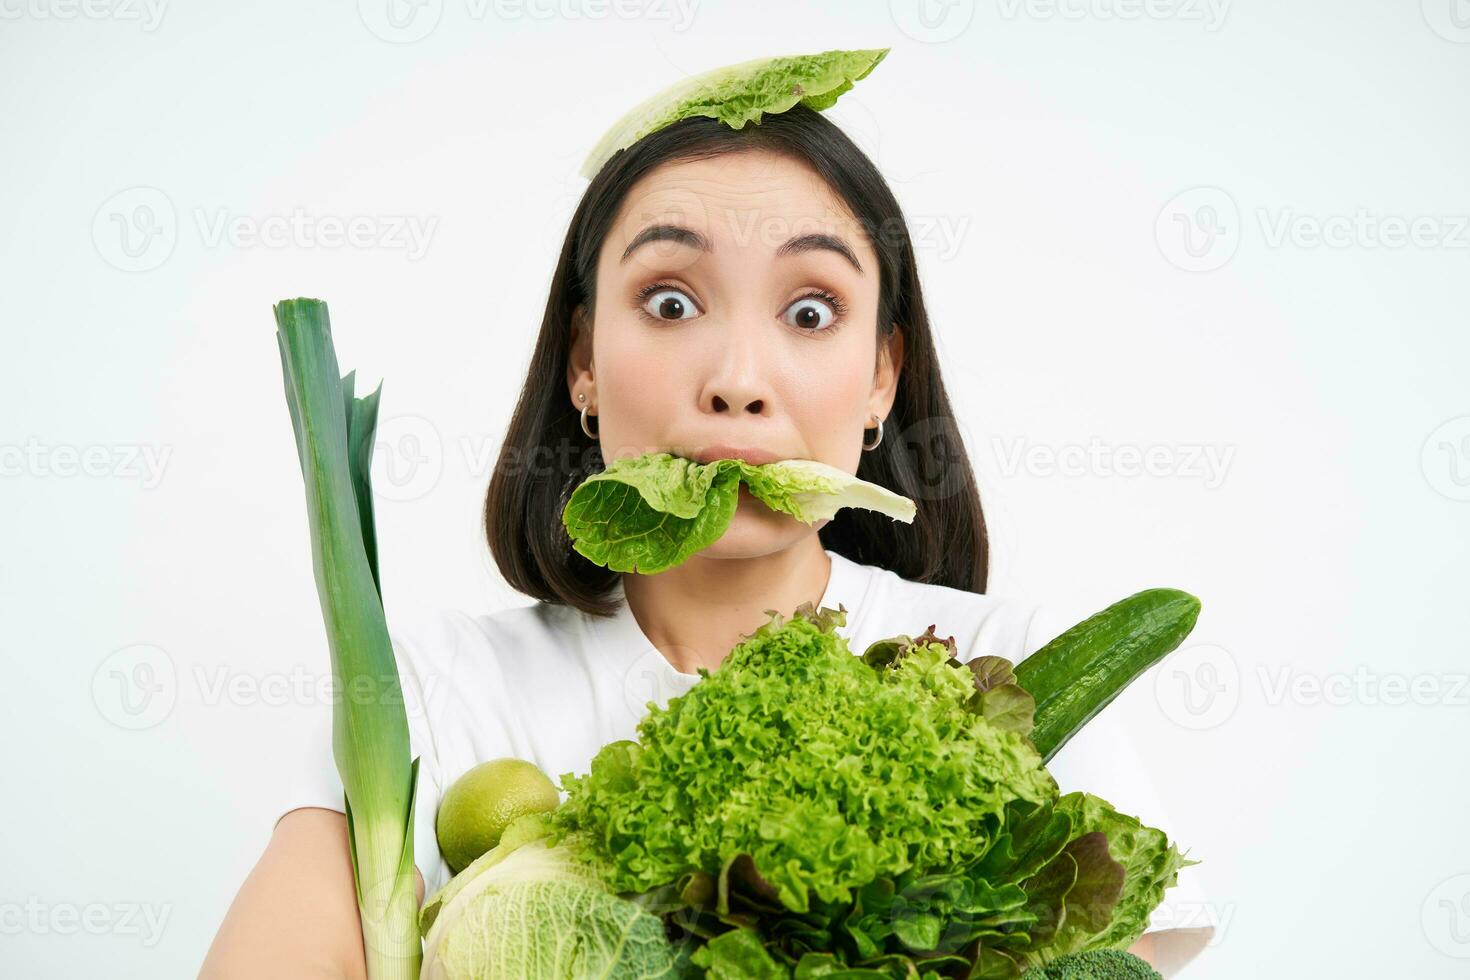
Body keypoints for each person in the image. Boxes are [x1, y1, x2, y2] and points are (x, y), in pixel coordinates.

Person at [201, 98, 1214, 978]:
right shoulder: (439, 690)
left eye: (811, 310)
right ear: (583, 366)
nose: (737, 375)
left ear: (880, 379)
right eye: (670, 300)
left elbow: (1116, 958)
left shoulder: (1015, 665)